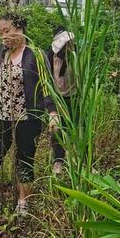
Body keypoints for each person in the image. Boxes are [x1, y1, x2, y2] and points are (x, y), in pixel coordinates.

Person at [0, 13, 57, 218]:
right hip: (1, 117)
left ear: (19, 29)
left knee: (24, 161)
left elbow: (46, 86)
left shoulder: (36, 55)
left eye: (6, 31)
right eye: (0, 32)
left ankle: (23, 204)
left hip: (28, 119)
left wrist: (52, 112)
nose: (3, 36)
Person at [47, 26, 75, 175]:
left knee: (76, 129)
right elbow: (46, 81)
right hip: (56, 98)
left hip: (75, 98)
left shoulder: (78, 56)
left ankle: (76, 159)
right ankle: (58, 160)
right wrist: (51, 108)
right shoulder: (49, 57)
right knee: (56, 129)